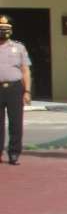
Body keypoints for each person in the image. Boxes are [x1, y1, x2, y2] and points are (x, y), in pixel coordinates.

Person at [0, 16, 31, 165]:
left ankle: (14, 153)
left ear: (11, 30)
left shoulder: (19, 47)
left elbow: (25, 70)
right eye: (1, 28)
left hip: (14, 88)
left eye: (6, 29)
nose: (3, 31)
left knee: (15, 123)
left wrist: (27, 91)